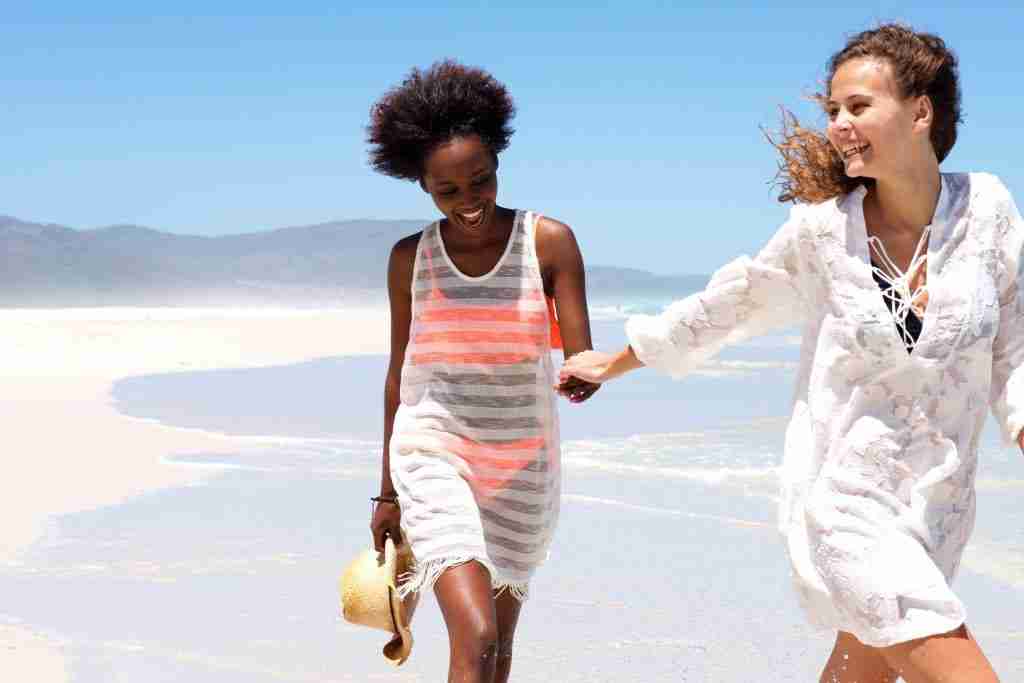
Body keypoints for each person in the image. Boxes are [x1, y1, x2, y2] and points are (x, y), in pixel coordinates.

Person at [558, 24, 1022, 683]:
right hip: (848, 508)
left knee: (854, 673)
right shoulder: (823, 232)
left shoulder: (989, 209)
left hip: (937, 511)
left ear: (921, 111)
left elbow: (1015, 340)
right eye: (832, 110)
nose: (837, 124)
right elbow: (731, 303)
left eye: (858, 106)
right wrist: (620, 359)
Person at [367, 60, 597, 683]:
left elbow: (581, 355)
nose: (470, 201)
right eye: (450, 191)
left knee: (498, 651)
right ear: (422, 186)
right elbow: (398, 376)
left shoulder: (549, 242)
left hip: (522, 465)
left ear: (497, 164)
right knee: (475, 631)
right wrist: (387, 492)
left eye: (482, 180)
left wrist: (584, 374)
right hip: (434, 450)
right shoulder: (410, 259)